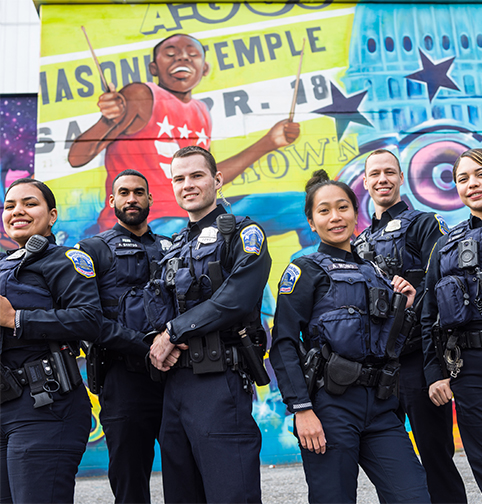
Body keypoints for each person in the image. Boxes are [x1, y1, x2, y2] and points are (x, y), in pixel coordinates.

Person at [270, 169, 431, 503]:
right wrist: (302, 408)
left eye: (342, 207)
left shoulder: (377, 273)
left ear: (355, 213)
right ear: (312, 222)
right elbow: (283, 342)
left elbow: (392, 341)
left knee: (413, 495)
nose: (335, 217)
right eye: (324, 210)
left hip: (382, 408)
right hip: (331, 407)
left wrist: (409, 306)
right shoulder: (305, 270)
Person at [68, 33, 300, 233]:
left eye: (192, 53)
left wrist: (269, 142)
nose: (182, 57)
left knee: (300, 205)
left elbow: (208, 178)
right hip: (152, 224)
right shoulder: (141, 94)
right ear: (153, 68)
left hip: (196, 215)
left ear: (204, 68)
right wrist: (108, 120)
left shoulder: (201, 111)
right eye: (171, 53)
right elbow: (77, 157)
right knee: (228, 243)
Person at [148, 146, 271, 503]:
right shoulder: (172, 246)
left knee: (231, 494)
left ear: (217, 180)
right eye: (179, 178)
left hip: (219, 381)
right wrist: (155, 342)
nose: (187, 184)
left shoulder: (243, 234)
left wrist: (172, 333)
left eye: (196, 175)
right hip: (175, 383)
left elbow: (237, 298)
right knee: (182, 495)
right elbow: (154, 306)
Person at [353, 149, 467, 503]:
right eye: (375, 174)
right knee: (393, 464)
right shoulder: (358, 243)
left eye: (389, 172)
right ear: (366, 183)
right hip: (380, 368)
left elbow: (444, 279)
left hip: (419, 360)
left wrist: (418, 292)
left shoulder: (424, 224)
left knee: (435, 456)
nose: (382, 179)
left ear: (402, 178)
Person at [0, 178, 102, 503]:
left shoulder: (66, 260)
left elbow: (89, 320)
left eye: (30, 203)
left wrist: (16, 319)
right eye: (10, 205)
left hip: (44, 406)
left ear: (52, 214)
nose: (18, 211)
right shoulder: (3, 264)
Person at [76, 169, 171, 504]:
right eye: (125, 192)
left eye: (139, 192)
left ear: (149, 198)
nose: (132, 198)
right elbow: (89, 320)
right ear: (112, 200)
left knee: (184, 469)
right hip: (123, 378)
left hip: (175, 378)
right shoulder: (92, 249)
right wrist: (148, 348)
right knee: (130, 476)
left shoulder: (171, 247)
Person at [422, 148, 482, 504]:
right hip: (469, 371)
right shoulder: (445, 245)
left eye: (481, 174)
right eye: (463, 178)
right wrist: (434, 373)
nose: (473, 184)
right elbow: (429, 316)